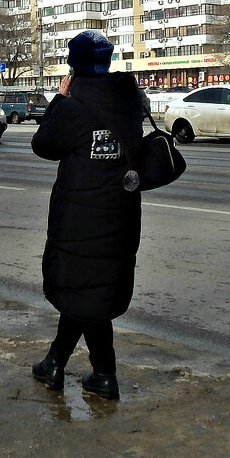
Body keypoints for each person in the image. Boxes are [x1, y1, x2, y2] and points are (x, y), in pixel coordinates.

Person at [30, 31, 147, 400]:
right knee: (91, 293)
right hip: (121, 212)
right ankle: (69, 366)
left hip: (79, 218)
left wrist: (58, 100)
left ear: (73, 65)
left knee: (85, 292)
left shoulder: (75, 105)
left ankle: (100, 372)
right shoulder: (130, 100)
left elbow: (43, 145)